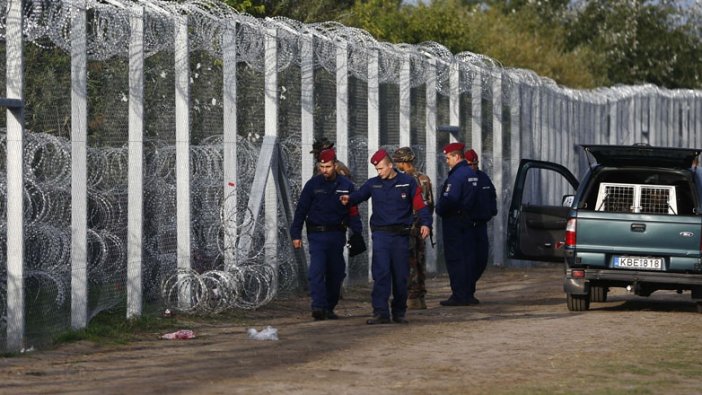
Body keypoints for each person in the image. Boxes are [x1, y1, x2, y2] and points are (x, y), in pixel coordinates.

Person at [340, 149, 432, 324]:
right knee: (381, 274)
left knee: (401, 275)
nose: (379, 172)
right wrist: (348, 199)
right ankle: (380, 312)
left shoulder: (408, 183)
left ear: (391, 165)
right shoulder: (373, 184)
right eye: (377, 169)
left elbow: (420, 204)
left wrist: (426, 223)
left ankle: (399, 312)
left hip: (401, 236)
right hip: (381, 235)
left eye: (381, 168)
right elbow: (359, 196)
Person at [291, 148, 363, 321]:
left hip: (337, 235)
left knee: (337, 272)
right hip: (317, 235)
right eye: (322, 166)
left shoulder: (345, 185)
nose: (325, 170)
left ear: (335, 165)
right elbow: (301, 210)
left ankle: (329, 307)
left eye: (328, 166)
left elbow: (352, 211)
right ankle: (318, 306)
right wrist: (296, 234)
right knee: (316, 270)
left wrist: (357, 233)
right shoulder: (313, 185)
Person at [435, 142, 480, 306]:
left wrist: (439, 209)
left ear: (456, 156)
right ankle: (468, 293)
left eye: (448, 158)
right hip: (468, 220)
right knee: (468, 258)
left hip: (454, 221)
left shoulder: (457, 175)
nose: (447, 161)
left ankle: (459, 295)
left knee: (455, 259)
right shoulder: (472, 173)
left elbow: (449, 200)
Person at [392, 147, 434, 310]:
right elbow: (430, 204)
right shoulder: (424, 178)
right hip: (421, 225)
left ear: (402, 162)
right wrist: (426, 222)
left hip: (407, 226)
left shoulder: (401, 180)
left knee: (408, 261)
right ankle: (420, 296)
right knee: (420, 260)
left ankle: (411, 296)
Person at [465, 148, 498, 298]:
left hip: (480, 225)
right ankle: (466, 291)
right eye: (470, 164)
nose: (473, 166)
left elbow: (492, 195)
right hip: (466, 226)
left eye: (475, 163)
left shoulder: (483, 178)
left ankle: (470, 286)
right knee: (468, 260)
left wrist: (491, 211)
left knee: (481, 259)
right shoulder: (461, 179)